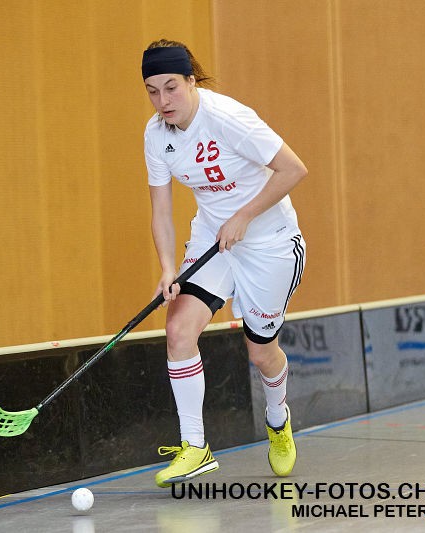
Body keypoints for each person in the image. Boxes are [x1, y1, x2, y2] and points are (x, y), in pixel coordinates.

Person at [141, 39, 307, 487]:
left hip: (269, 243)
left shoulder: (229, 118)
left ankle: (278, 418)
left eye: (171, 88)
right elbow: (161, 209)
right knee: (177, 331)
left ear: (191, 80)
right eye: (152, 91)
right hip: (212, 240)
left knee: (261, 353)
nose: (163, 101)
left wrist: (244, 216)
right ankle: (195, 447)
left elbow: (293, 169)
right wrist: (166, 268)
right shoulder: (156, 135)